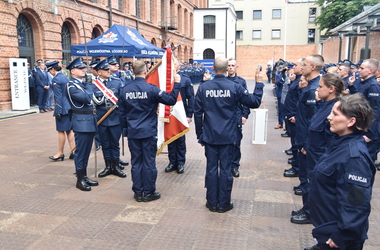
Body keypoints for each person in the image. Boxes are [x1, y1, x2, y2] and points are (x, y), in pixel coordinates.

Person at [194, 57, 264, 213]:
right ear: (227, 69)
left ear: (213, 68)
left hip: (210, 135)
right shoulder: (235, 87)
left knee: (211, 168)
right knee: (225, 169)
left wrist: (200, 134)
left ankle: (212, 202)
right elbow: (254, 102)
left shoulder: (204, 88)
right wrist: (258, 83)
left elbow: (197, 113)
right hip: (228, 135)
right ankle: (224, 203)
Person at [306, 94, 376, 250]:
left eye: (335, 114)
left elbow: (356, 203)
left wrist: (343, 236)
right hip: (327, 230)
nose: (329, 117)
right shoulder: (339, 144)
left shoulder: (354, 157)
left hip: (338, 238)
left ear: (351, 121)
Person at [118, 60, 181, 202]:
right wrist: (177, 83)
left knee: (136, 162)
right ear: (145, 71)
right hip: (148, 131)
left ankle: (138, 192)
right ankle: (148, 192)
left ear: (132, 72)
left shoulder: (125, 90)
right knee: (148, 162)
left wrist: (126, 131)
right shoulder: (151, 89)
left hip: (133, 132)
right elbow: (171, 100)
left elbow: (121, 114)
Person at [291, 73, 348, 225]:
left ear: (331, 89)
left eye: (320, 86)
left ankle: (311, 213)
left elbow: (331, 140)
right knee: (307, 181)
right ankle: (307, 208)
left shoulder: (334, 108)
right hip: (312, 152)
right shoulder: (324, 105)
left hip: (319, 156)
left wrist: (323, 158)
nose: (317, 89)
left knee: (315, 185)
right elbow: (314, 128)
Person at [290, 54, 323, 224]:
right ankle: (306, 207)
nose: (301, 67)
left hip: (308, 142)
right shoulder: (309, 85)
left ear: (313, 67)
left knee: (308, 177)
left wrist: (307, 144)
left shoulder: (313, 89)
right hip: (303, 138)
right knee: (305, 177)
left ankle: (309, 211)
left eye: (305, 64)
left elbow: (313, 121)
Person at [66, 57, 99, 191]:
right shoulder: (71, 85)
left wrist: (88, 86)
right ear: (73, 71)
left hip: (90, 121)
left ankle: (84, 176)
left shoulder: (82, 84)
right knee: (81, 152)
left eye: (83, 68)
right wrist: (90, 86)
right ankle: (80, 179)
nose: (83, 70)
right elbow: (86, 98)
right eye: (80, 68)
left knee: (86, 152)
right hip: (81, 122)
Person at [91, 59, 126, 179]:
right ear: (99, 72)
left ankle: (115, 167)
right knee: (105, 144)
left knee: (114, 144)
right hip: (101, 118)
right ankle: (108, 167)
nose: (108, 71)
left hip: (115, 117)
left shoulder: (116, 82)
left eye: (108, 69)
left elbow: (122, 99)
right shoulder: (93, 85)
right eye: (105, 70)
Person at [165, 58, 194, 174]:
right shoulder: (165, 80)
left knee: (180, 139)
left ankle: (180, 162)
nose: (173, 66)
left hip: (181, 114)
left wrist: (189, 114)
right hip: (169, 113)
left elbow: (191, 97)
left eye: (174, 64)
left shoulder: (185, 80)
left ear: (178, 66)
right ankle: (172, 162)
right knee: (170, 138)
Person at [348, 59, 380, 163]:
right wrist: (352, 86)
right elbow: (359, 100)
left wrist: (370, 134)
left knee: (366, 162)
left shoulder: (373, 86)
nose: (359, 70)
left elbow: (375, 111)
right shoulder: (364, 83)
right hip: (362, 127)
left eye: (362, 68)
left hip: (368, 131)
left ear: (370, 70)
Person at [226, 58, 250, 178]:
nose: (230, 67)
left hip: (237, 115)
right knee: (226, 142)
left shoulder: (241, 82)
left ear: (236, 67)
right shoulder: (223, 81)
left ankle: (234, 165)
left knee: (236, 142)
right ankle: (226, 164)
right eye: (229, 65)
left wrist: (245, 115)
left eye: (232, 65)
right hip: (225, 117)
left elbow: (246, 100)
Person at [47, 61, 75, 161]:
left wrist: (57, 110)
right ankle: (73, 151)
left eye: (49, 70)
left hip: (62, 108)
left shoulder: (56, 79)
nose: (50, 72)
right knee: (68, 130)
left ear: (52, 69)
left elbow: (58, 97)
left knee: (60, 131)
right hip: (68, 107)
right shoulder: (64, 77)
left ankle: (60, 153)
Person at [283, 58, 303, 183]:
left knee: (297, 143)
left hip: (295, 117)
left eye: (295, 65)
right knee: (294, 141)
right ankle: (295, 164)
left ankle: (296, 167)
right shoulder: (296, 79)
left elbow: (300, 101)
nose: (293, 67)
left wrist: (296, 115)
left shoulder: (302, 80)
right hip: (291, 115)